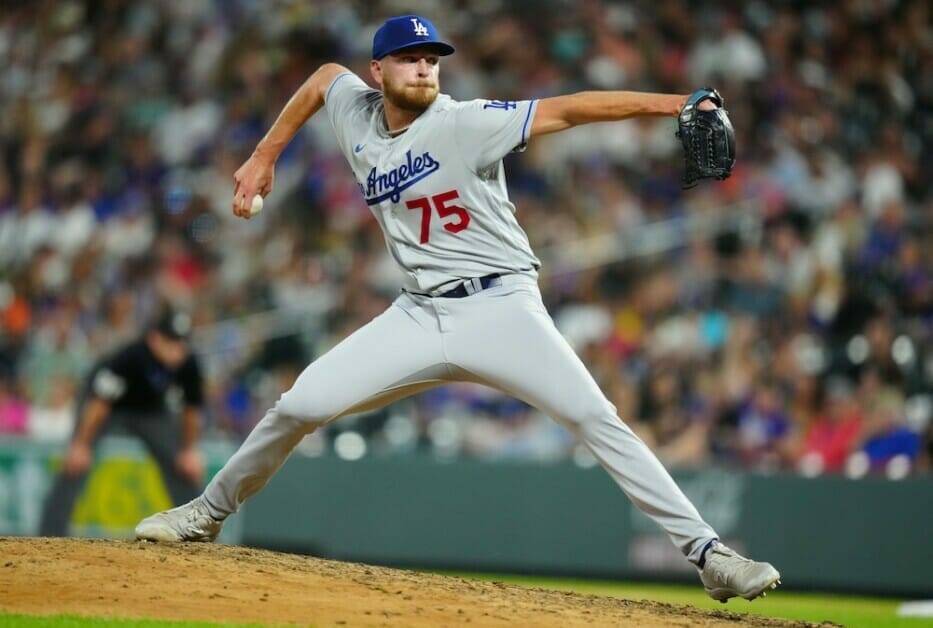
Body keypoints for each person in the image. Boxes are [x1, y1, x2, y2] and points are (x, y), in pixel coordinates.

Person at [136, 15, 780, 602]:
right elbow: (324, 77)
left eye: (431, 59)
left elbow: (571, 109)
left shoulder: (465, 121)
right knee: (299, 405)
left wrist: (677, 103)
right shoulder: (356, 113)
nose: (424, 69)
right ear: (378, 71)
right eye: (410, 58)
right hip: (418, 313)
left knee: (595, 417)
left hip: (501, 306)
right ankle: (206, 514)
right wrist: (264, 154)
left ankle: (710, 555)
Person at [40, 309, 205, 536]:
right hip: (107, 407)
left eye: (182, 343)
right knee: (77, 461)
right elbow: (99, 404)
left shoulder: (188, 363)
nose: (177, 350)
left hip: (150, 410)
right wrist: (81, 444)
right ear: (154, 339)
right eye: (171, 342)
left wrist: (189, 450)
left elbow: (191, 410)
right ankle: (50, 533)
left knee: (183, 465)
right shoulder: (130, 357)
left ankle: (195, 530)